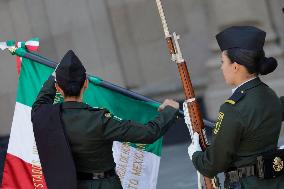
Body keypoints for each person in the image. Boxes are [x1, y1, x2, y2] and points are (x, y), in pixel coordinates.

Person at [31, 50, 180, 189]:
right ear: (86, 83)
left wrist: (56, 74)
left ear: (58, 88)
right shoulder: (99, 120)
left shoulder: (43, 116)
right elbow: (149, 133)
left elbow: (41, 101)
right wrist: (170, 111)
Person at [188, 26, 284, 189]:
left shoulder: (232, 108)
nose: (221, 67)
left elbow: (211, 165)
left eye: (222, 62)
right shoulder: (270, 95)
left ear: (235, 66)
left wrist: (195, 154)